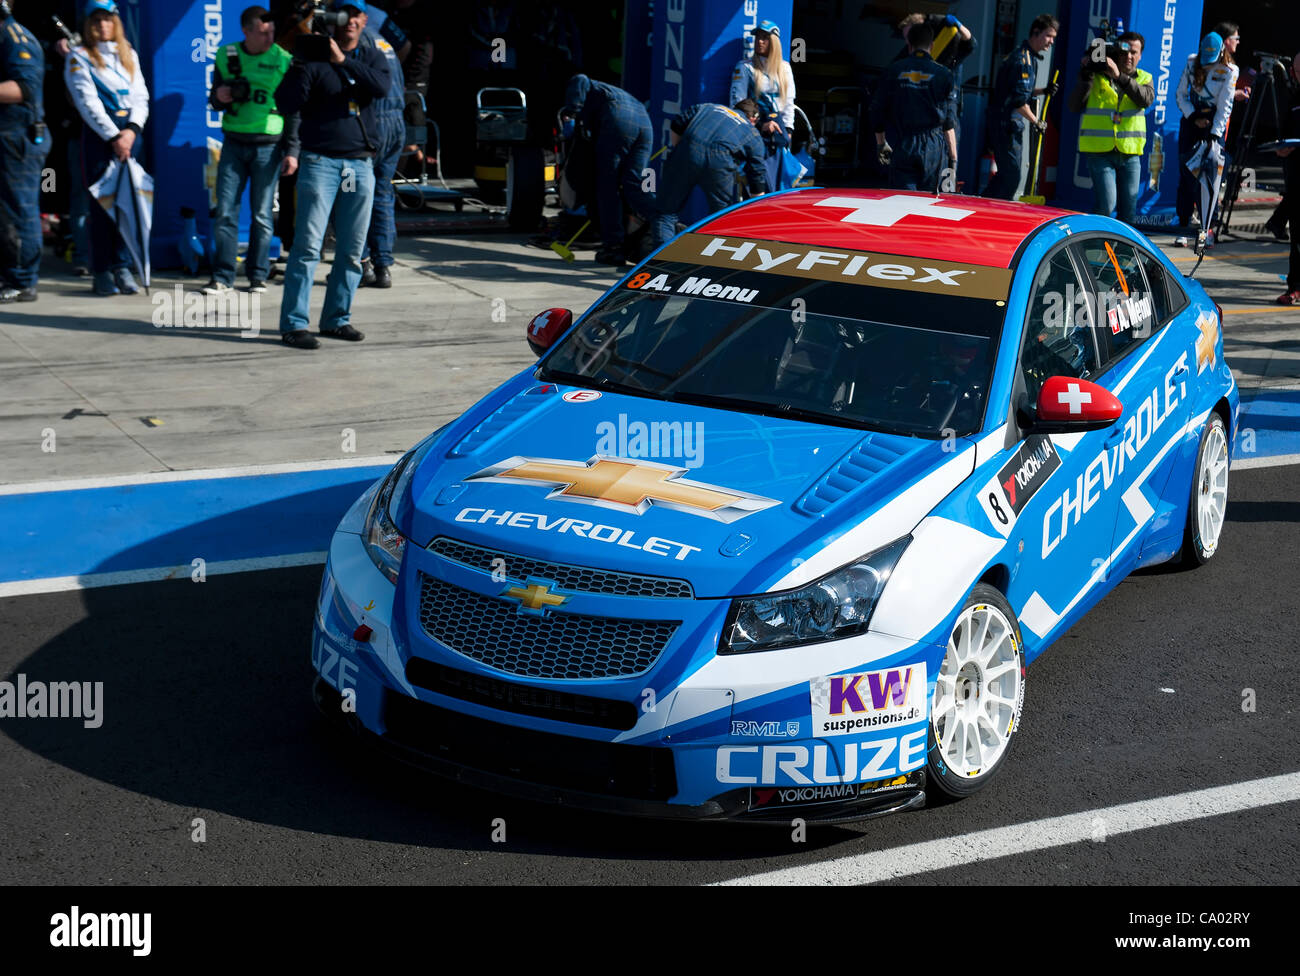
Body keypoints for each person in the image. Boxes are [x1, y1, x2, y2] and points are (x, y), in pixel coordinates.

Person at [273, 0, 390, 349]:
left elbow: (381, 88)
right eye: (344, 14)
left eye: (356, 15)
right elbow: (286, 102)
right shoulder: (311, 59)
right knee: (308, 247)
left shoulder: (372, 56)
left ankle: (337, 319)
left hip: (359, 164)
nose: (350, 20)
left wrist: (343, 61)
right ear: (334, 19)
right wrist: (300, 62)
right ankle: (294, 324)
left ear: (364, 20)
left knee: (352, 249)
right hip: (320, 162)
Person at [203, 5, 298, 297]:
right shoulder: (227, 54)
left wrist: (292, 149)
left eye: (272, 32)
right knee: (226, 213)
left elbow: (294, 109)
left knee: (261, 213)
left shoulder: (283, 59)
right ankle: (222, 277)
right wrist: (218, 97)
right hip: (233, 142)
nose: (269, 38)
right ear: (246, 31)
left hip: (268, 145)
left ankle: (258, 275)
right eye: (262, 32)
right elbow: (215, 99)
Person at [64, 0, 148, 297]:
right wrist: (115, 136)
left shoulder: (129, 54)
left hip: (129, 138)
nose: (102, 26)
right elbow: (87, 103)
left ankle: (122, 266)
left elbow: (140, 97)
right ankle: (101, 270)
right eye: (96, 21)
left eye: (108, 20)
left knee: (128, 204)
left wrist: (132, 131)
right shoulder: (79, 56)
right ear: (88, 25)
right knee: (102, 206)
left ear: (116, 22)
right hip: (101, 140)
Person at [562, 74, 655, 266]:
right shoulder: (609, 92)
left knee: (607, 187)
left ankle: (613, 247)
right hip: (644, 121)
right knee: (633, 184)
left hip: (618, 118)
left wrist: (570, 115)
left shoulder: (584, 84)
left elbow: (580, 80)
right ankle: (666, 224)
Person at [650, 100, 768, 249]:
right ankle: (708, 262)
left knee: (665, 211)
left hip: (688, 149)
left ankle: (660, 260)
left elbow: (677, 124)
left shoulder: (707, 107)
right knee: (719, 217)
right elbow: (757, 175)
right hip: (721, 162)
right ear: (753, 119)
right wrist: (756, 209)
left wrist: (681, 153)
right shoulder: (752, 132)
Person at [1068, 30, 1153, 224]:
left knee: (1129, 211)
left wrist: (1119, 76)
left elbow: (1145, 99)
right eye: (1124, 51)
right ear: (1115, 51)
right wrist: (1086, 75)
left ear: (1140, 55)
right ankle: (1095, 246)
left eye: (1134, 52)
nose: (1128, 56)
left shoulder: (1145, 78)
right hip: (1100, 151)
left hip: (1130, 153)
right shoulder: (1096, 76)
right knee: (1106, 205)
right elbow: (1074, 106)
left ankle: (1121, 254)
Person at [0, 0, 49, 304]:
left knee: (21, 211)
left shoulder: (16, 36)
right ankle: (10, 273)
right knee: (6, 212)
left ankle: (23, 280)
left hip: (20, 138)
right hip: (7, 136)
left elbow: (25, 86)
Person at [871, 22, 957, 192]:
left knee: (902, 202)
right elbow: (949, 123)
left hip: (904, 144)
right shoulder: (945, 75)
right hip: (934, 149)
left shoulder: (894, 70)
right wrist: (953, 160)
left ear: (909, 45)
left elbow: (876, 110)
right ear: (932, 46)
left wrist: (881, 143)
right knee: (932, 206)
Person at [982, 13, 1058, 201]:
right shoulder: (1022, 60)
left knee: (1005, 176)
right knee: (1011, 177)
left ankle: (983, 206)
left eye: (1053, 38)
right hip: (1005, 126)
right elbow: (1018, 101)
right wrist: (1037, 121)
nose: (1051, 42)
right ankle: (991, 212)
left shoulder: (1029, 57)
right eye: (1048, 36)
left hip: (1007, 125)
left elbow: (1023, 92)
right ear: (1036, 32)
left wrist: (1043, 90)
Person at [358, 2, 406, 289]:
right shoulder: (381, 34)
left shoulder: (356, 42)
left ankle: (361, 264)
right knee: (382, 193)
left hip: (372, 123)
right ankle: (384, 266)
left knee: (354, 196)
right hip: (395, 122)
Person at [1175, 24, 1241, 232]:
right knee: (1186, 173)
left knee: (1211, 176)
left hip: (1213, 125)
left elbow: (1225, 106)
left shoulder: (1230, 70)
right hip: (1191, 120)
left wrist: (1214, 134)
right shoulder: (1192, 62)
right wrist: (1193, 116)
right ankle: (1183, 224)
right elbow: (1180, 95)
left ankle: (1208, 227)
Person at [729, 19, 795, 190]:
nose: (759, 41)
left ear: (774, 42)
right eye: (758, 36)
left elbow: (789, 103)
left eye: (765, 37)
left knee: (780, 185)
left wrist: (788, 131)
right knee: (759, 182)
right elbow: (737, 104)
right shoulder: (745, 67)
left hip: (778, 132)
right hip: (754, 130)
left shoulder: (785, 68)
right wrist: (760, 124)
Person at [1273, 52, 1300, 305]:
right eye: (1297, 71)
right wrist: (1282, 148)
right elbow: (1286, 133)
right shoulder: (1293, 99)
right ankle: (1295, 288)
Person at [895, 11, 975, 76]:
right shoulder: (907, 53)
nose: (907, 41)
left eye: (910, 36)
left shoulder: (947, 44)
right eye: (906, 38)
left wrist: (958, 24)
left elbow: (970, 44)